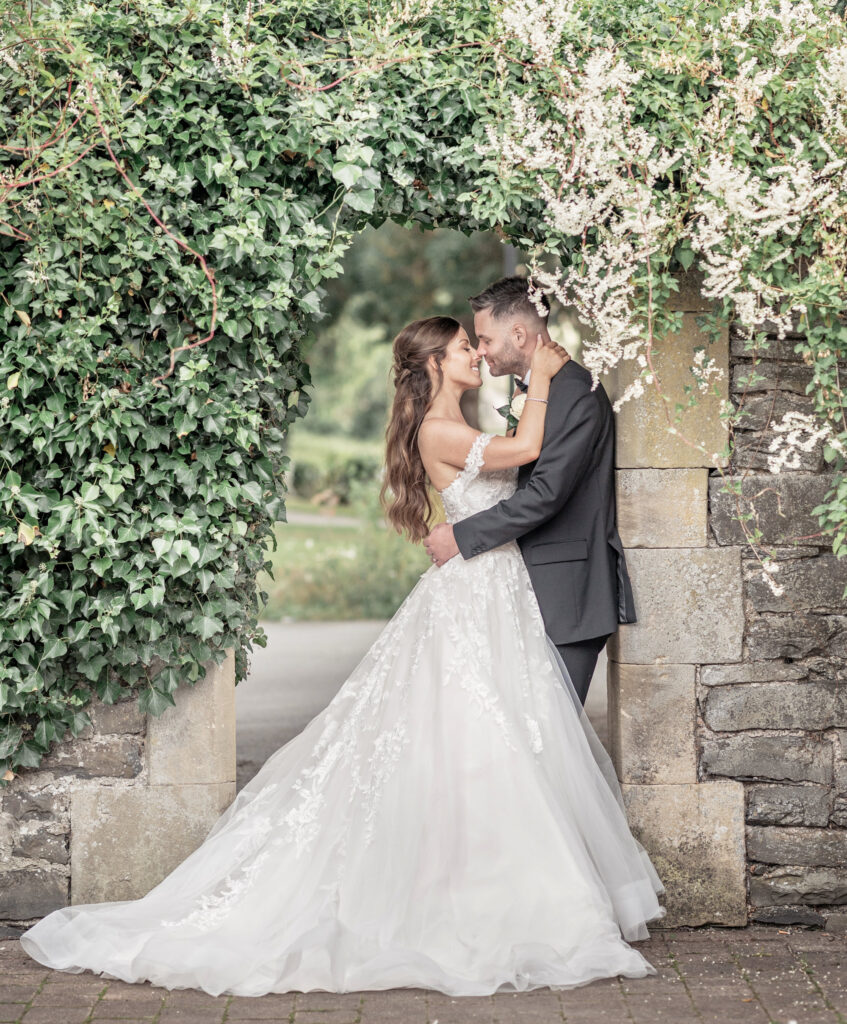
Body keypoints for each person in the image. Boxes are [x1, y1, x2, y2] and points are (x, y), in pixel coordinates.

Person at [19, 314, 664, 998]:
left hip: (498, 593)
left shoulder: (459, 424)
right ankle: (472, 901)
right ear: (436, 366)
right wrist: (542, 372)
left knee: (491, 745)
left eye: (476, 343)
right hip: (475, 594)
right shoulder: (441, 431)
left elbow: (528, 471)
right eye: (462, 348)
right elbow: (530, 445)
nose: (476, 353)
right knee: (476, 741)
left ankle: (486, 885)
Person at [424, 276, 637, 706]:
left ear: (519, 334)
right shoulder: (541, 391)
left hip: (567, 596)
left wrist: (461, 536)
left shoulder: (574, 393)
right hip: (525, 592)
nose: (480, 351)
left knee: (547, 745)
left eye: (483, 339)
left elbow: (545, 494)